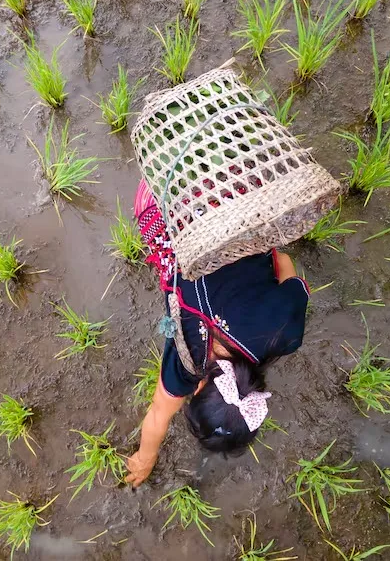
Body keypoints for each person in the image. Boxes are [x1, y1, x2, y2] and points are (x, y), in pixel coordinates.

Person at [124, 180, 310, 488]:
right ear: (197, 388)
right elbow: (158, 414)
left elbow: (284, 262)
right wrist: (144, 459)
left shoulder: (285, 332)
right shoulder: (188, 361)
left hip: (233, 191)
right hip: (164, 205)